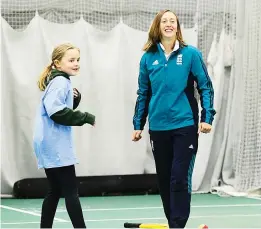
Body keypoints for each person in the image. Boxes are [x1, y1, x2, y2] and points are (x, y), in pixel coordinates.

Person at [132, 10, 216, 228]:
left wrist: (207, 117)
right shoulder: (148, 58)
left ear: (177, 27)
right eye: (164, 21)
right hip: (158, 128)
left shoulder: (190, 54)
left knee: (179, 177)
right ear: (157, 27)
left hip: (184, 126)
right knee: (164, 180)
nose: (169, 24)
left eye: (173, 21)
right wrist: (138, 125)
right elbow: (143, 93)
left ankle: (177, 224)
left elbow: (205, 86)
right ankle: (173, 224)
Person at [33, 43, 95, 228]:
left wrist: (74, 101)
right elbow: (56, 112)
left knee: (55, 190)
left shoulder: (58, 81)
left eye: (78, 60)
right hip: (55, 144)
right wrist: (86, 117)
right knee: (70, 191)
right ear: (57, 63)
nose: (76, 63)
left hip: (47, 142)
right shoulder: (60, 82)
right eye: (71, 60)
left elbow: (57, 109)